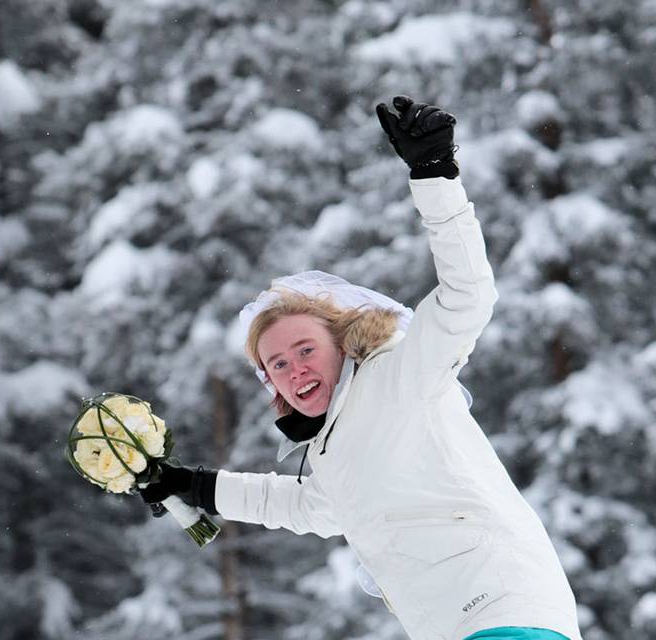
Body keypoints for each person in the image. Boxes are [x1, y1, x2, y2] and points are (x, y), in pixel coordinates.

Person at [141, 96, 582, 640]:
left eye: (304, 349)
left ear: (341, 344)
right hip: (456, 623)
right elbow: (308, 509)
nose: (293, 368)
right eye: (276, 363)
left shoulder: (399, 372)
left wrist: (435, 175)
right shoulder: (331, 449)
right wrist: (193, 485)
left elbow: (468, 294)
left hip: (500, 604)